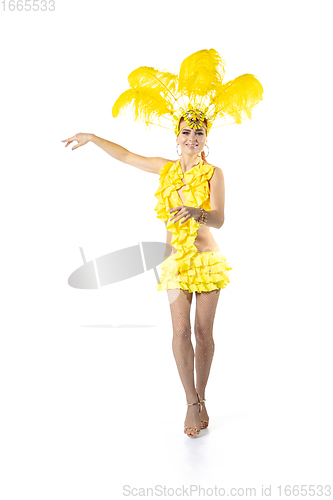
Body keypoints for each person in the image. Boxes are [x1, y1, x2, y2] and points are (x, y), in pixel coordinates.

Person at [62, 48, 263, 438]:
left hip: (205, 259)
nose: (192, 137)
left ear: (206, 138)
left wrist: (196, 211)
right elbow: (124, 155)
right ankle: (190, 402)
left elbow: (220, 218)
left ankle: (202, 396)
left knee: (204, 333)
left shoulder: (214, 173)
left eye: (199, 131)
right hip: (174, 261)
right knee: (179, 333)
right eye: (186, 131)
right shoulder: (165, 169)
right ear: (177, 137)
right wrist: (92, 136)